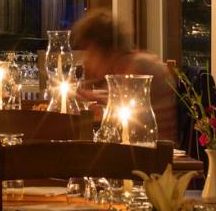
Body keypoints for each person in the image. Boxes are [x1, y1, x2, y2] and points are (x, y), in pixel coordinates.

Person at [70, 8, 178, 145]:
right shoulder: (127, 66)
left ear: (106, 49)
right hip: (136, 146)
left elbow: (123, 122)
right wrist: (93, 99)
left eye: (90, 52)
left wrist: (92, 102)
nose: (86, 60)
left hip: (149, 149)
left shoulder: (139, 69)